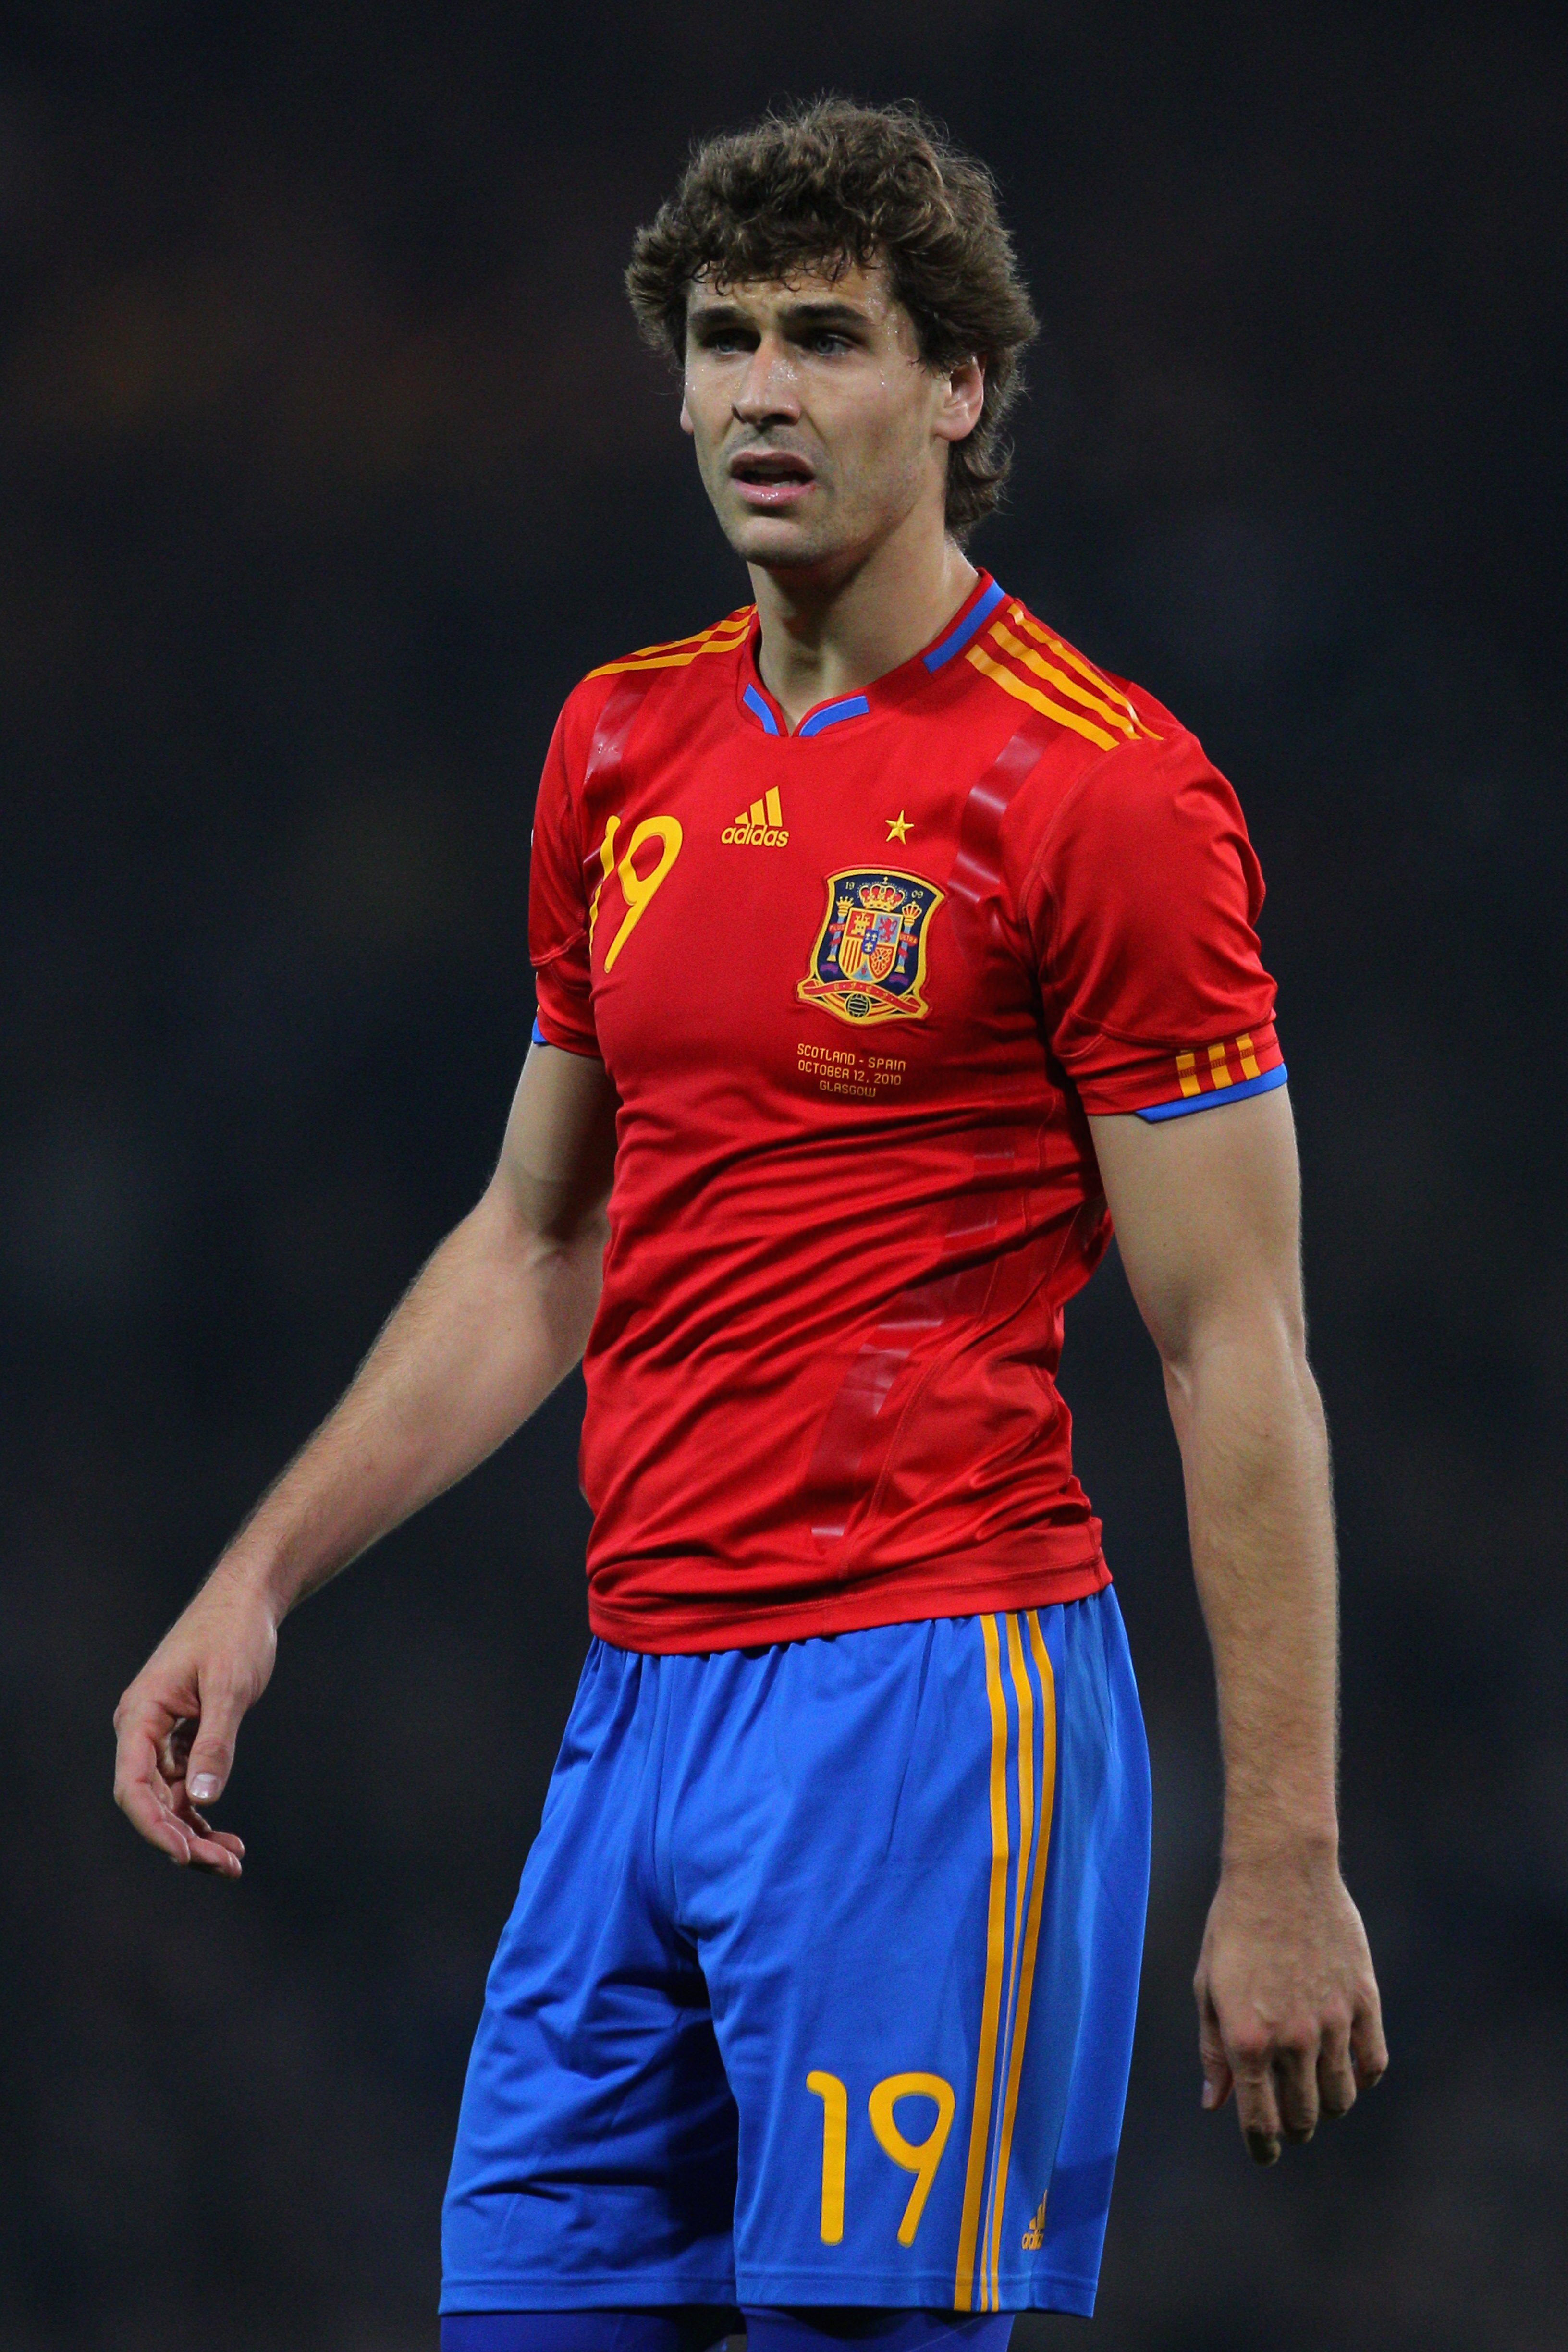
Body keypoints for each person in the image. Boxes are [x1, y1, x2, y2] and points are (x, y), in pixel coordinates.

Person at [113, 98, 1386, 2352]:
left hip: (929, 1699)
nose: (762, 394)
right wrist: (258, 1574)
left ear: (960, 388)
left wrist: (1281, 1856)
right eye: (721, 341)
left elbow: (1234, 1348)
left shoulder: (1101, 793)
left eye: (829, 339)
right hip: (640, 1705)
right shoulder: (619, 746)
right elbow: (536, 1237)